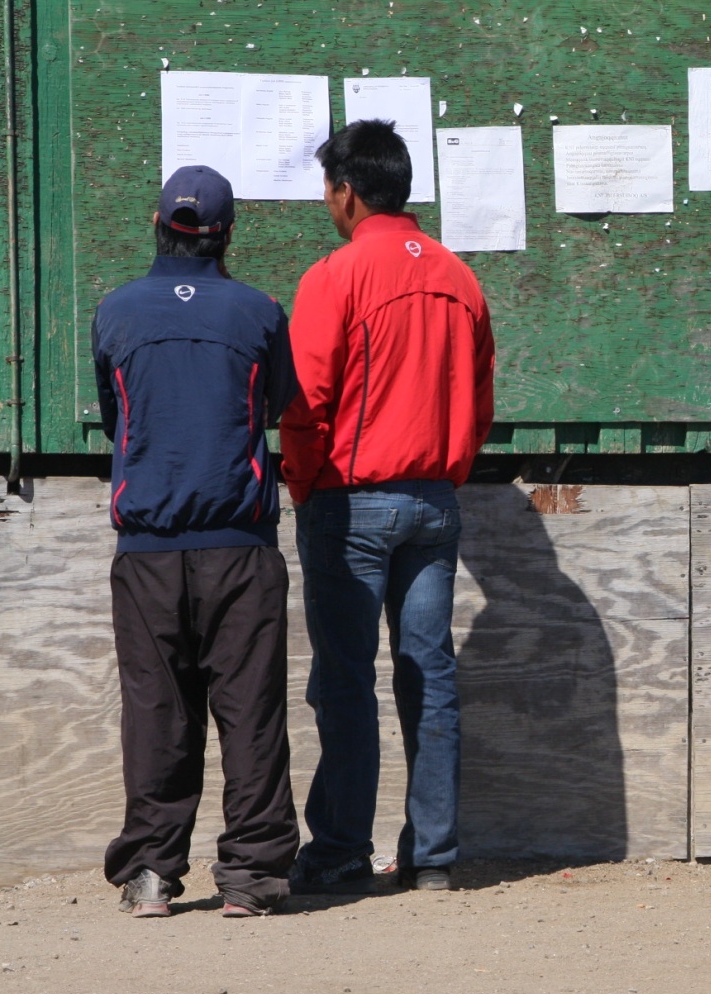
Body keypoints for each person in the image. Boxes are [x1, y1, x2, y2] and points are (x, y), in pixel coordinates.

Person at [282, 119, 495, 895]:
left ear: (345, 191)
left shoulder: (334, 276)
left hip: (350, 500)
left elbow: (305, 402)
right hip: (434, 503)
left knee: (345, 680)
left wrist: (304, 484)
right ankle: (433, 856)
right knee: (428, 674)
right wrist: (445, 475)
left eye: (327, 191)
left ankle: (340, 847)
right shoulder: (458, 276)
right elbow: (478, 403)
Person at [94, 165, 299, 918]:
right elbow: (277, 404)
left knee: (156, 713)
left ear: (157, 223)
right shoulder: (260, 312)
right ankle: (252, 878)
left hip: (146, 546)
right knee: (251, 713)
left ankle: (149, 875)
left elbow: (118, 419)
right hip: (239, 543)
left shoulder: (115, 313)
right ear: (227, 233)